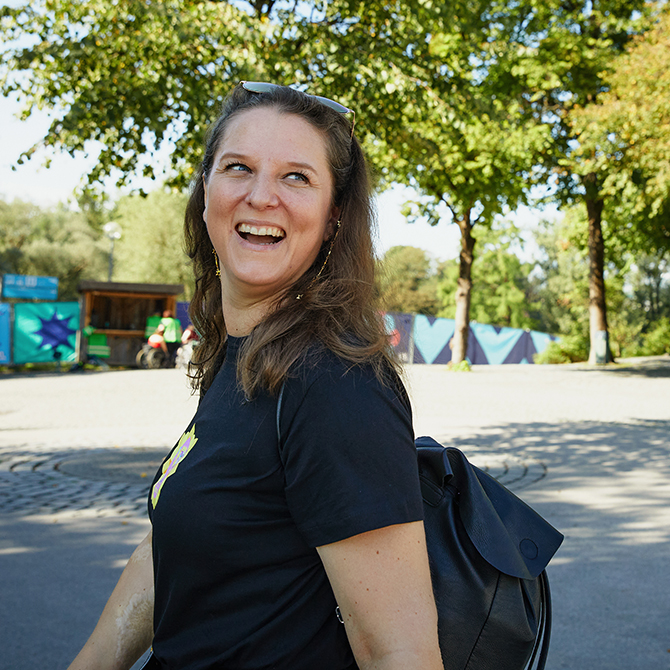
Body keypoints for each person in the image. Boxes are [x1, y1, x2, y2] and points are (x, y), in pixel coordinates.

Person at [67, 82, 442, 670]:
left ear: (333, 219)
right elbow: (173, 541)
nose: (261, 196)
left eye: (297, 177)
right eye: (238, 167)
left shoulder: (334, 383)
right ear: (207, 190)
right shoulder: (246, 353)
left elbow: (402, 653)